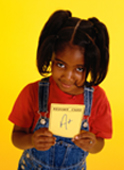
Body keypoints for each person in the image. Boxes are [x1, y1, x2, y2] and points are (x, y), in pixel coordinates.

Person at [9, 10, 112, 170]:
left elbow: (99, 144)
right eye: (61, 65)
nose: (68, 76)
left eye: (79, 69)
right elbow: (16, 137)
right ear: (51, 57)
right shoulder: (33, 93)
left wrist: (91, 144)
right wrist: (31, 141)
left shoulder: (98, 98)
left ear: (91, 66)